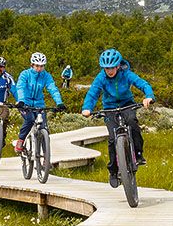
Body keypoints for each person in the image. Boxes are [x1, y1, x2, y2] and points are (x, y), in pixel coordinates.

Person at [81, 48, 154, 187]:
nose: (109, 71)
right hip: (109, 108)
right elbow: (93, 93)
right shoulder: (101, 78)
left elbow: (142, 83)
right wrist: (87, 108)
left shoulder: (126, 74)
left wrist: (148, 96)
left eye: (112, 67)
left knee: (133, 123)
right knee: (112, 138)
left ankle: (138, 154)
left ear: (118, 65)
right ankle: (113, 171)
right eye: (106, 68)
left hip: (127, 104)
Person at [14, 52, 65, 153]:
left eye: (41, 66)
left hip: (39, 104)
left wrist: (59, 102)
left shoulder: (46, 76)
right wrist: (21, 101)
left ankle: (46, 158)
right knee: (30, 119)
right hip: (25, 103)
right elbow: (20, 87)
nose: (39, 68)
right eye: (37, 66)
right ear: (32, 65)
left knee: (44, 128)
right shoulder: (25, 74)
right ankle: (20, 141)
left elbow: (52, 88)